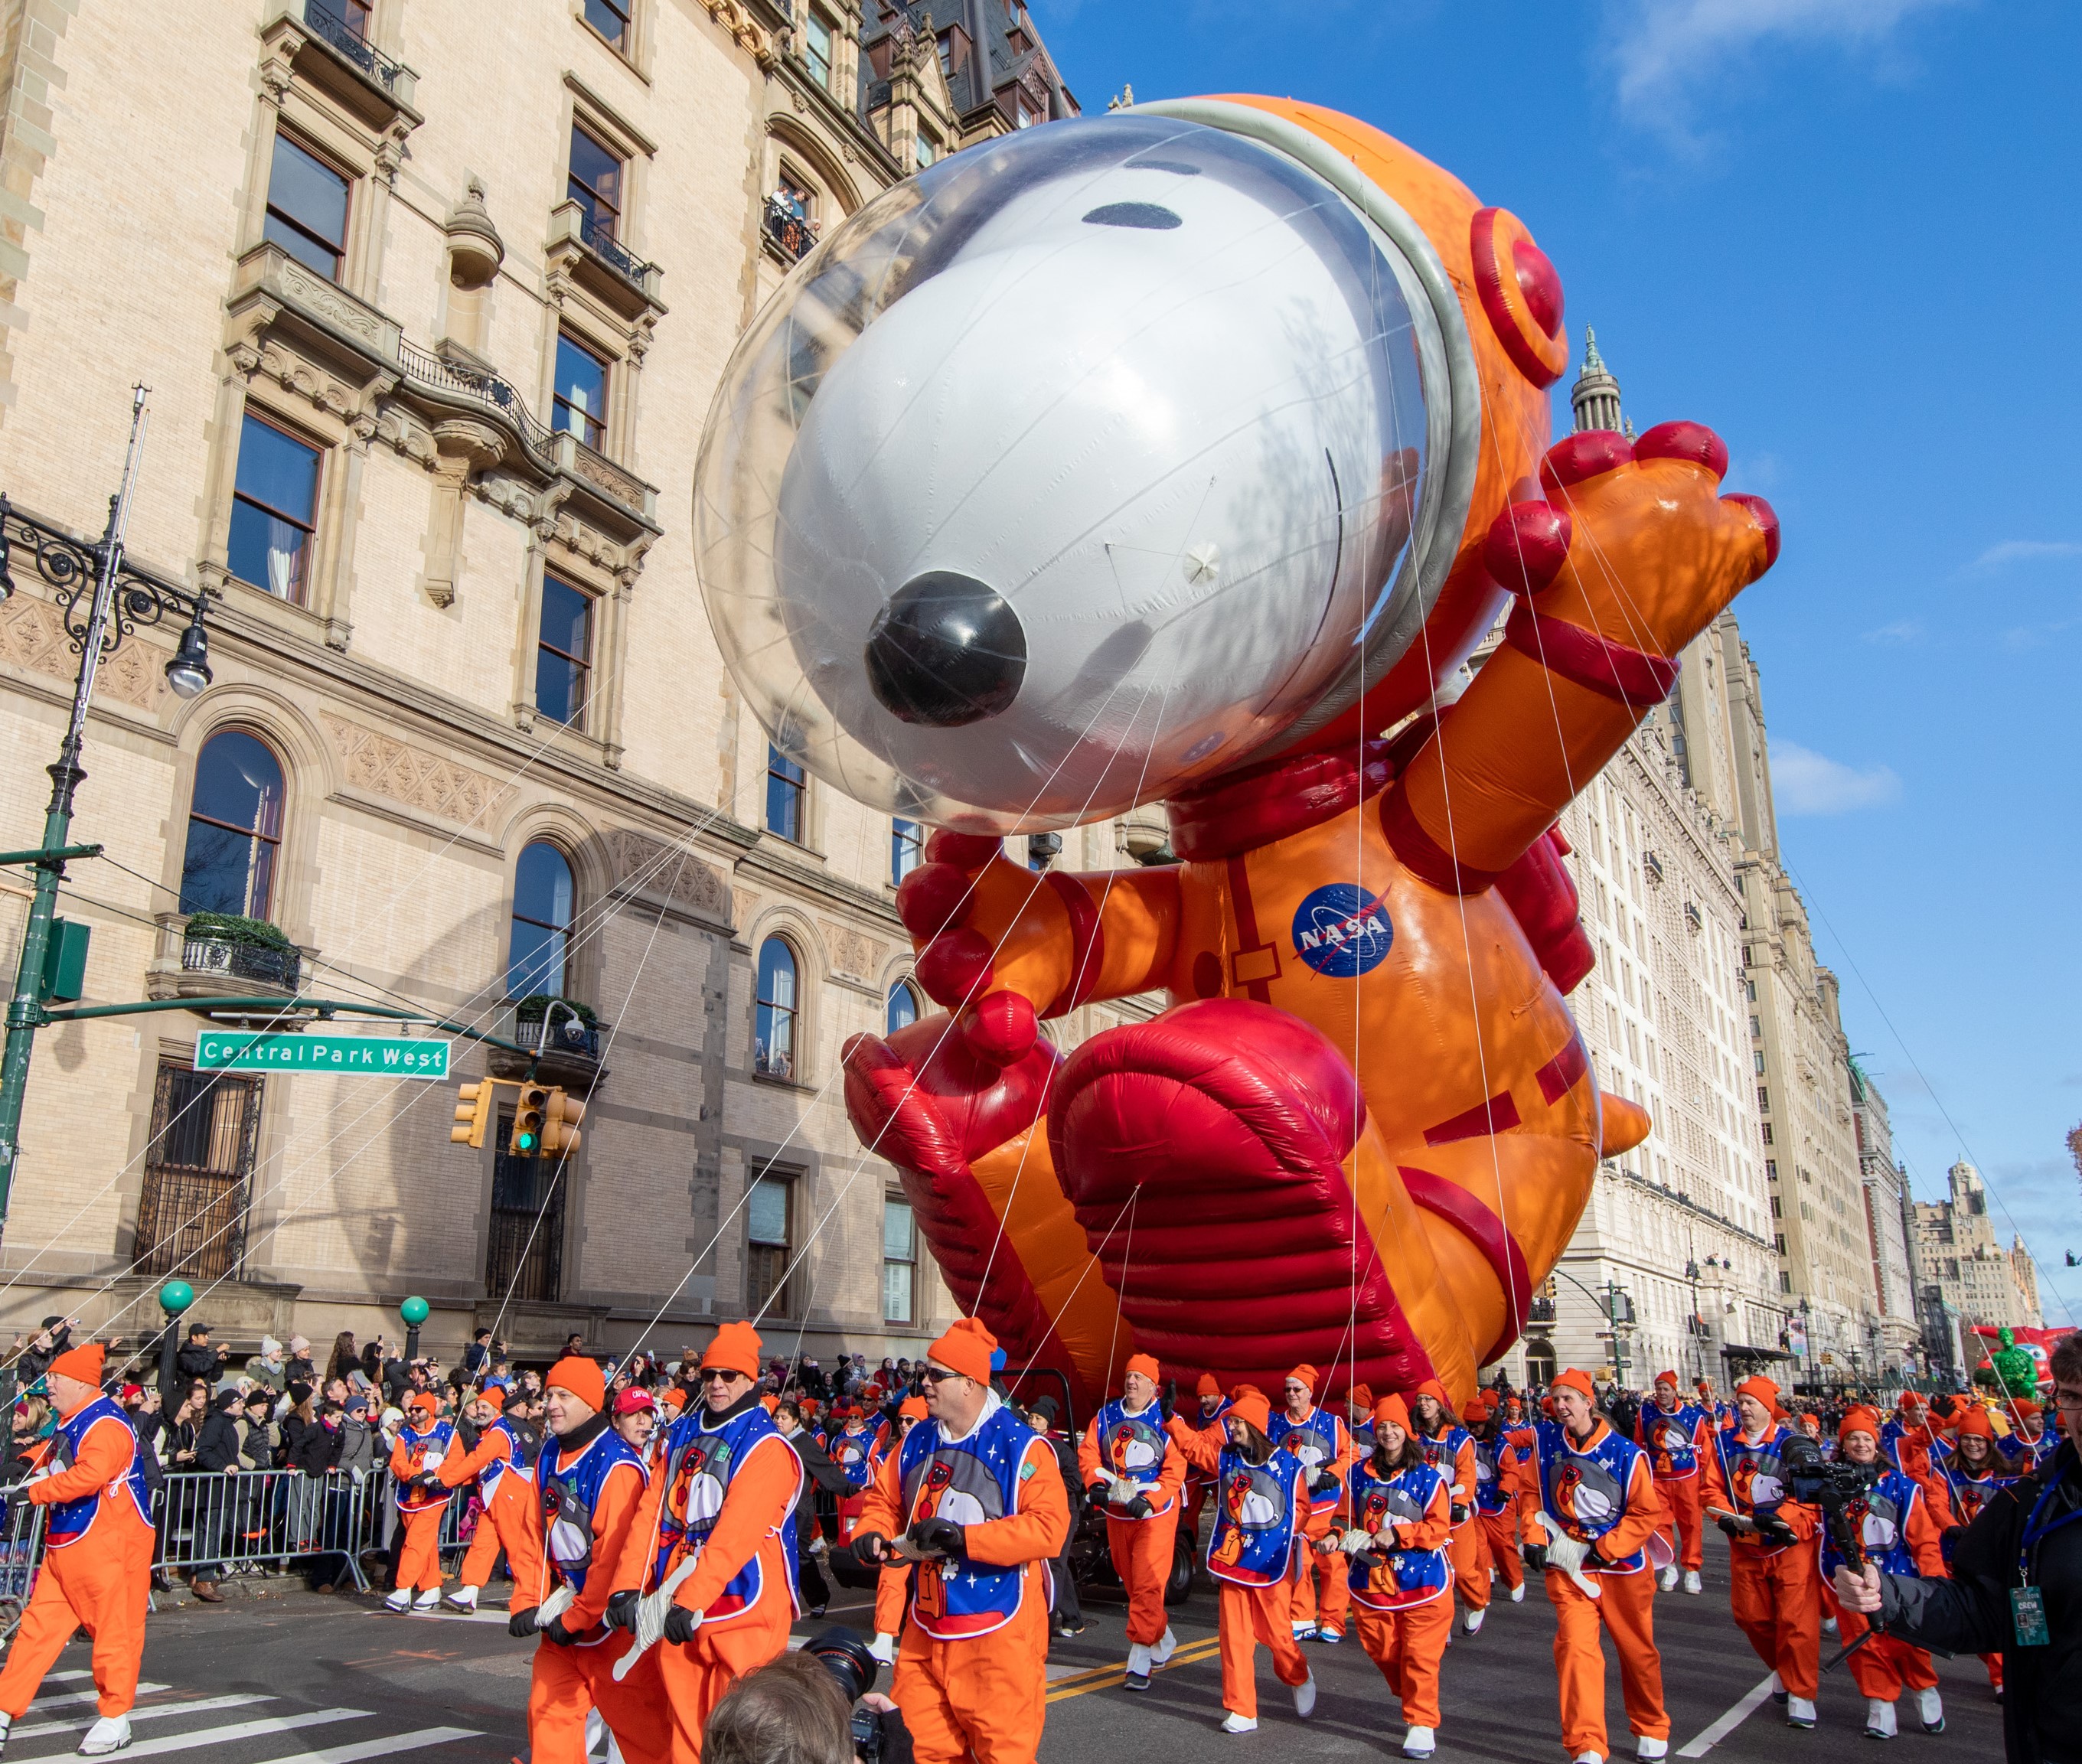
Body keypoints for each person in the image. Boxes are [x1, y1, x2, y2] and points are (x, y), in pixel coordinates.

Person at [1834, 1335, 2082, 1764]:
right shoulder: (2031, 1503)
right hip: (2058, 1742)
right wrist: (1889, 1593)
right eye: (2075, 1397)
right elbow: (1982, 1608)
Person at [851, 1316, 1069, 1764]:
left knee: (1003, 1755)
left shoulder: (1023, 1447)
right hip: (926, 1629)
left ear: (969, 1383)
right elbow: (884, 1500)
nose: (923, 1384)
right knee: (914, 1751)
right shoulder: (915, 1442)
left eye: (935, 1375)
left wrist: (966, 1540)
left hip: (999, 1637)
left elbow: (1049, 1528)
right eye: (922, 1373)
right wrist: (870, 1533)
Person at [605, 1321, 801, 1764]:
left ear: (751, 1379)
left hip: (742, 1607)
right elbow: (651, 1515)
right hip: (681, 1606)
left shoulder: (765, 1446)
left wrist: (691, 1598)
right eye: (709, 1374)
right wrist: (627, 1584)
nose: (716, 1383)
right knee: (686, 1736)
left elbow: (737, 1533)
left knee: (739, 1739)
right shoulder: (681, 1434)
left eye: (729, 1375)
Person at [0, 1343, 155, 1756]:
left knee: (113, 1632)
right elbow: (54, 1456)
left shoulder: (105, 1423)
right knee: (36, 1629)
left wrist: (34, 1492)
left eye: (54, 1378)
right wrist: (24, 1465)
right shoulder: (75, 1419)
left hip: (109, 1544)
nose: (46, 1385)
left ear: (78, 1383)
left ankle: (115, 1716)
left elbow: (90, 1474)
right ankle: (3, 1708)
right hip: (69, 1541)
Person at [511, 1356, 667, 1764]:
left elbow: (613, 1557)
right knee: (548, 1723)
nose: (552, 1404)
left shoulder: (617, 1465)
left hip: (614, 1630)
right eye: (549, 1395)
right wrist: (528, 1599)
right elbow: (533, 1534)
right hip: (564, 1621)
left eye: (563, 1395)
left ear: (589, 1402)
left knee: (642, 1737)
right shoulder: (549, 1452)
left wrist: (578, 1618)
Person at [1519, 1367, 1671, 1764]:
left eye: (1570, 1399)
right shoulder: (1546, 1444)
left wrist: (1608, 1547)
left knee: (1637, 1652)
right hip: (1569, 1569)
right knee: (1574, 1650)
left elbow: (1644, 1513)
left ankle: (1651, 1724)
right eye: (1556, 1399)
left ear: (1590, 1403)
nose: (1561, 1406)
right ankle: (1585, 1743)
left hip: (1622, 1570)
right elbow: (1531, 1493)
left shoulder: (1626, 1453)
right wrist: (1533, 1537)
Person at [1167, 1386, 1320, 1733]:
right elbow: (1193, 1448)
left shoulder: (1287, 1465)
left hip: (1270, 1564)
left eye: (1237, 1423)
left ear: (1254, 1426)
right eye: (1231, 1422)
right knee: (1233, 1636)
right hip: (1234, 1562)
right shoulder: (1227, 1458)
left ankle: (1298, 1675)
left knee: (1278, 1637)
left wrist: (1273, 1538)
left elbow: (1301, 1511)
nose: (1231, 1428)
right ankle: (1242, 1708)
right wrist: (1170, 1421)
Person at [1325, 1394, 1451, 1759]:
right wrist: (1335, 1535)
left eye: (1395, 1425)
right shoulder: (1357, 1473)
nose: (1388, 1432)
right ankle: (1412, 1695)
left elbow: (1439, 1527)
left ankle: (1421, 1722)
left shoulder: (1428, 1477)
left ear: (1407, 1431)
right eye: (1382, 1426)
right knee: (1383, 1651)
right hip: (1372, 1582)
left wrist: (1400, 1535)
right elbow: (1343, 1515)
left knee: (1420, 1657)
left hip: (1423, 1583)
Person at [1699, 1374, 1823, 1728]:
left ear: (1768, 1407)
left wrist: (1779, 1520)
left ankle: (1801, 1692)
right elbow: (1711, 1489)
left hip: (1790, 1546)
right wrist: (1723, 1516)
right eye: (1740, 1403)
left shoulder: (1793, 1443)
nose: (1744, 1409)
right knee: (1750, 1617)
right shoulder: (1724, 1442)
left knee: (1796, 1622)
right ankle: (1783, 1667)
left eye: (1750, 1403)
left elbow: (1808, 1495)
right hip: (1745, 1546)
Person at [1822, 1407, 1948, 1740]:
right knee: (1863, 1646)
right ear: (1843, 1444)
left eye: (1866, 1438)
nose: (1860, 1445)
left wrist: (1934, 1582)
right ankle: (1881, 1705)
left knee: (1909, 1642)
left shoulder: (1903, 1487)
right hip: (1854, 1580)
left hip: (1898, 1579)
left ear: (1877, 1444)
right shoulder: (1830, 1487)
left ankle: (1924, 1689)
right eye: (1853, 1438)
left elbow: (1924, 1540)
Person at [1078, 1352, 1184, 1688]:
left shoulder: (1166, 1419)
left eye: (1139, 1378)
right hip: (1117, 1511)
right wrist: (1095, 1483)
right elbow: (1090, 1453)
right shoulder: (1106, 1415)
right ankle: (1162, 1636)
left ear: (1154, 1386)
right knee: (1132, 1581)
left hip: (1155, 1515)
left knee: (1148, 1582)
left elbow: (1176, 1469)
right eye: (1129, 1376)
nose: (1132, 1382)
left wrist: (1150, 1500)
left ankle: (1139, 1660)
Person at [1923, 1401, 2018, 1700]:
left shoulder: (2006, 1476)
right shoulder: (1944, 1471)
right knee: (1969, 1616)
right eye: (1967, 1439)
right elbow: (1935, 1503)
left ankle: (2002, 1677)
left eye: (1979, 1439)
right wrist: (1951, 1527)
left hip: (1992, 1558)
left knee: (1995, 1613)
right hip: (1955, 1554)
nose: (1973, 1445)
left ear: (1989, 1442)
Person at [439, 1387, 537, 1612]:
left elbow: (476, 1460)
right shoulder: (495, 1431)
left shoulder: (498, 1433)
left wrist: (445, 1481)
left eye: (485, 1407)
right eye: (478, 1407)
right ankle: (470, 1590)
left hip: (509, 1496)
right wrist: (446, 1480)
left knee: (517, 1548)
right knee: (482, 1544)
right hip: (495, 1497)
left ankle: (531, 1595)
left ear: (496, 1409)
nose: (479, 1411)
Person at [1274, 1365, 1353, 1644]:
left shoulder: (1331, 1423)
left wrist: (1335, 1472)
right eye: (1288, 1390)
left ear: (1310, 1392)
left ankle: (1333, 1621)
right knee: (1299, 1565)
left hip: (1326, 1510)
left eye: (1297, 1389)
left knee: (1332, 1566)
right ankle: (1302, 1617)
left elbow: (1350, 1453)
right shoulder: (1275, 1424)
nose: (1292, 1395)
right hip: (1293, 1509)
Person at [1409, 1381, 1483, 1635]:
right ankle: (1441, 1628)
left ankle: (1476, 1603)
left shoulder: (1459, 1438)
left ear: (1440, 1405)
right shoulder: (1415, 1437)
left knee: (1463, 1572)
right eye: (1420, 1400)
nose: (1424, 1404)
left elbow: (1467, 1476)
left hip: (1455, 1515)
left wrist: (1461, 1503)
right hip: (1427, 1517)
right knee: (1435, 1574)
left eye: (1429, 1399)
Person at [1635, 1371, 1709, 1594]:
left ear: (1674, 1391)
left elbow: (1704, 1448)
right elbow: (1639, 1445)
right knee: (1659, 1524)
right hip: (1658, 1478)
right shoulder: (1645, 1412)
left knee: (1691, 1524)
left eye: (1666, 1389)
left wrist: (1708, 1480)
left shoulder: (1693, 1415)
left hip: (1687, 1477)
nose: (1661, 1393)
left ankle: (1693, 1569)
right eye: (1658, 1389)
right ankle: (1669, 1565)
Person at [385, 1390, 453, 1612]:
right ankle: (432, 1586)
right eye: (411, 1408)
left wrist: (440, 1476)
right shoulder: (405, 1434)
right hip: (409, 1494)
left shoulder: (447, 1432)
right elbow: (397, 1461)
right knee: (426, 1544)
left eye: (418, 1409)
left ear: (429, 1411)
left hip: (434, 1496)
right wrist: (409, 1475)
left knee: (415, 1541)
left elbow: (457, 1459)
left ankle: (403, 1589)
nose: (412, 1412)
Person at [1463, 1394, 1528, 1606]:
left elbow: (1511, 1471)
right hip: (1477, 1506)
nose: (1473, 1429)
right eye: (1469, 1425)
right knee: (1479, 1551)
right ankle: (1482, 1595)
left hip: (1500, 1504)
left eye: (1477, 1425)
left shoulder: (1500, 1442)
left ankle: (1515, 1580)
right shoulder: (1466, 1442)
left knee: (1503, 1546)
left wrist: (1506, 1490)